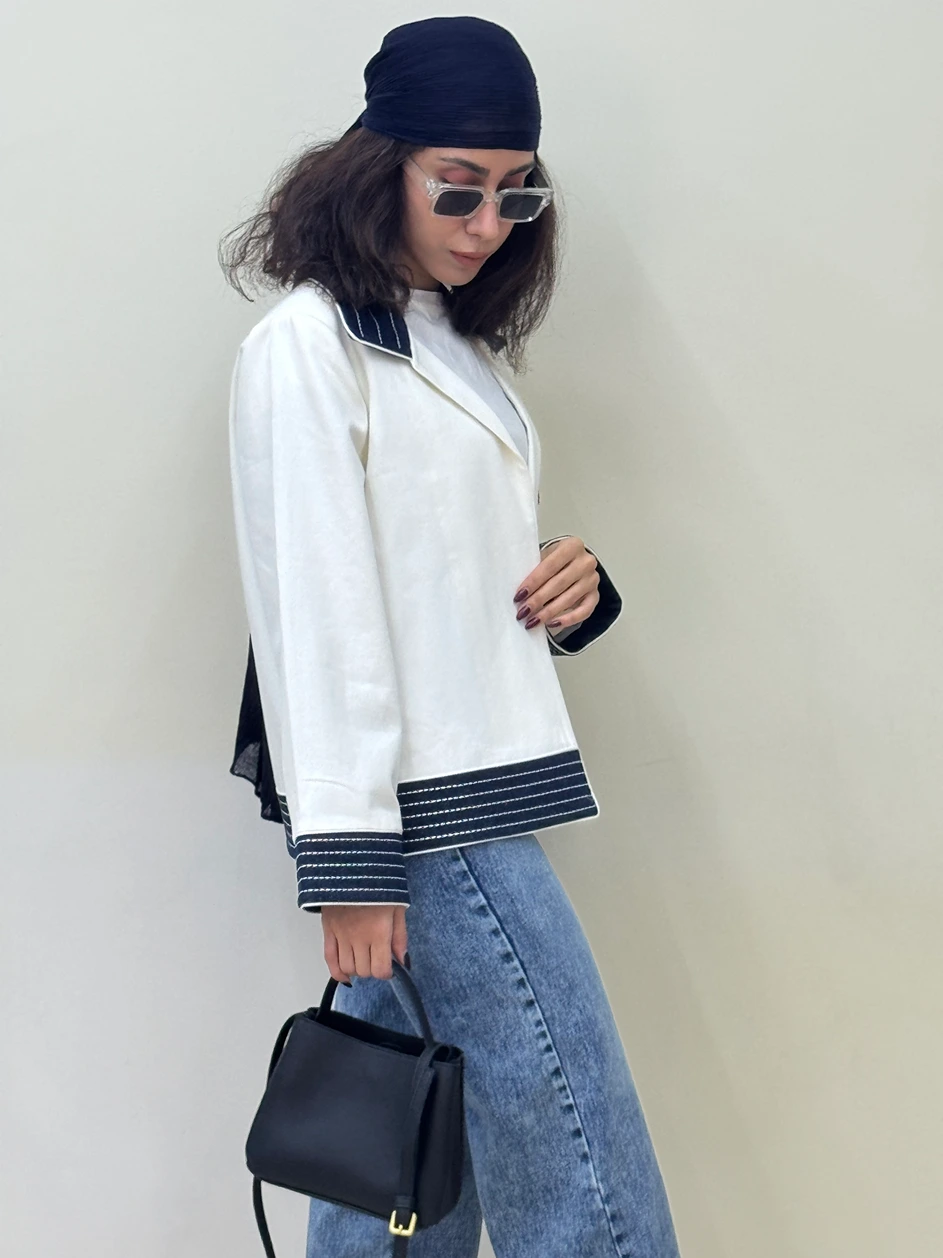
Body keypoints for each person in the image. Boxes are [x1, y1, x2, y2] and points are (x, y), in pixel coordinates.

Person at [220, 15, 681, 1258]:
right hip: (430, 816)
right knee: (580, 1163)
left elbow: (432, 573)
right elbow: (314, 608)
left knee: (404, 1153)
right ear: (380, 168)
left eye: (515, 194)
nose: (487, 225)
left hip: (473, 782)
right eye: (458, 188)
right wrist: (350, 861)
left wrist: (573, 587)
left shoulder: (448, 343)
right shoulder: (308, 347)